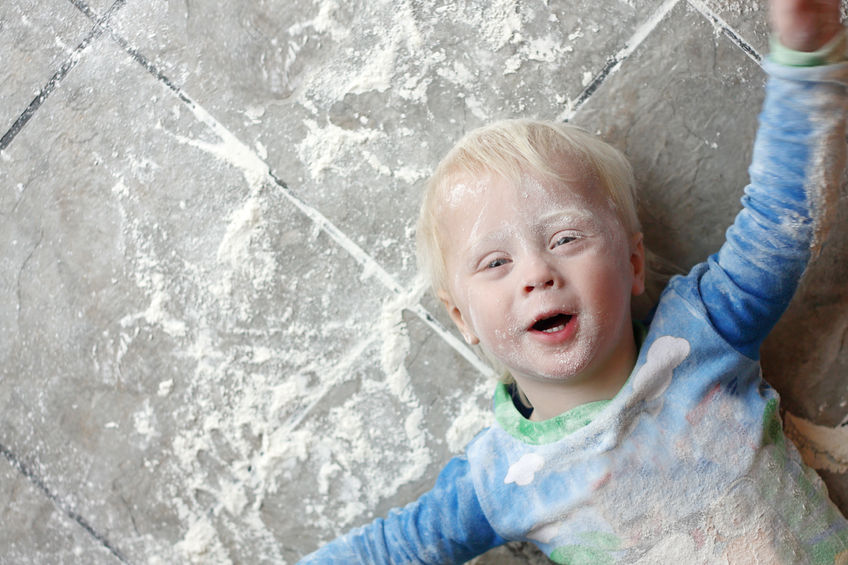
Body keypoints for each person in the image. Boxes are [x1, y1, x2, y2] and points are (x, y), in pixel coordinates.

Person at [300, 0, 848, 562]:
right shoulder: (500, 481)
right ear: (462, 317)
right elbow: (385, 550)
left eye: (564, 238)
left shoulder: (705, 331)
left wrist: (807, 60)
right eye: (496, 263)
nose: (537, 273)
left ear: (632, 263)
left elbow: (781, 220)